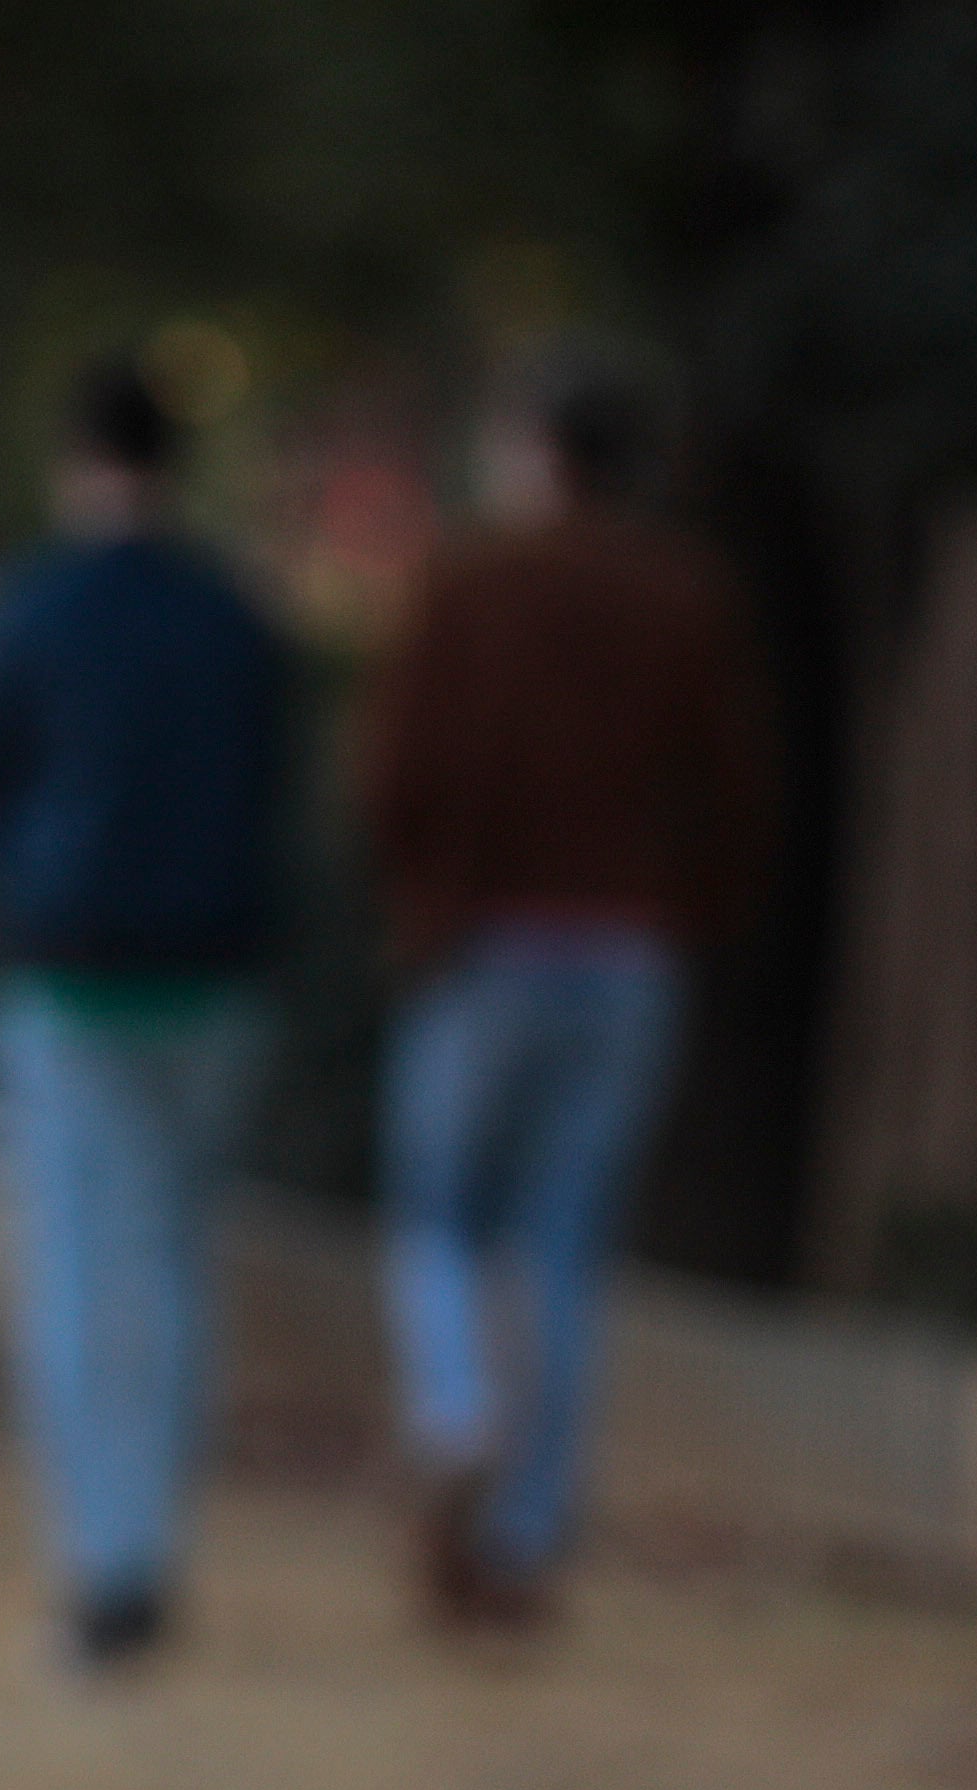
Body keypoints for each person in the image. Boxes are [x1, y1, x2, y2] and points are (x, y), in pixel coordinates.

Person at [356, 356, 769, 1633]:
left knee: (435, 1212)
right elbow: (735, 788)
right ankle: (528, 1532)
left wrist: (420, 896)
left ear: (538, 455)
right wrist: (690, 912)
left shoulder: (469, 588)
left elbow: (392, 774)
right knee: (564, 1246)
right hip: (629, 955)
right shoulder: (686, 598)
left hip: (487, 948)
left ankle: (453, 1401)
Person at [0, 351, 294, 1674]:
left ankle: (105, 1567)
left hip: (70, 979)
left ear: (72, 459)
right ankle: (159, 1539)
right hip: (214, 984)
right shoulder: (235, 616)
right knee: (179, 1269)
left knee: (78, 1280)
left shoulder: (27, 612)